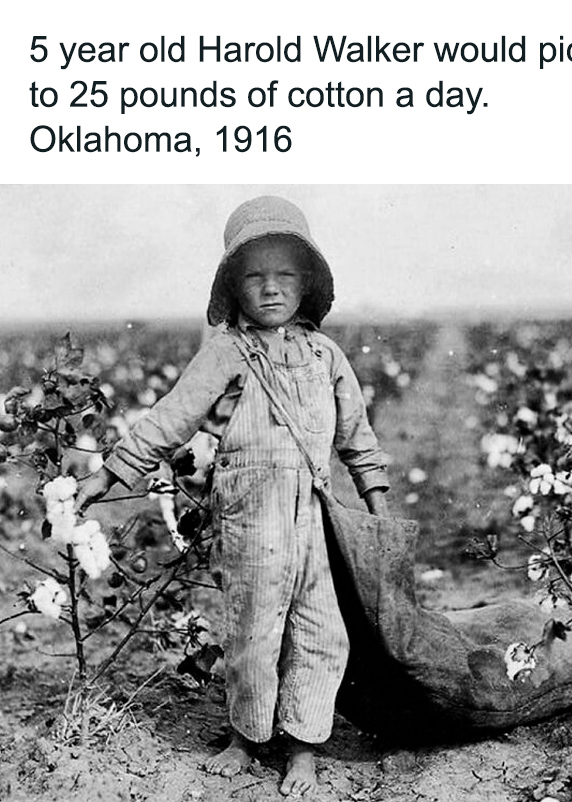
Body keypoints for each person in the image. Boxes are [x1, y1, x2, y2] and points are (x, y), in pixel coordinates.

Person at [76, 196, 390, 797]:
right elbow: (171, 418)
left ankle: (303, 747)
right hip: (252, 518)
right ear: (233, 286)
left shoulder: (328, 357)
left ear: (308, 283)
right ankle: (246, 737)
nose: (270, 289)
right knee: (253, 628)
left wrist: (378, 509)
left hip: (315, 518)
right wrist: (111, 474)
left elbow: (359, 438)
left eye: (285, 275)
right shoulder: (227, 351)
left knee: (323, 630)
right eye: (254, 276)